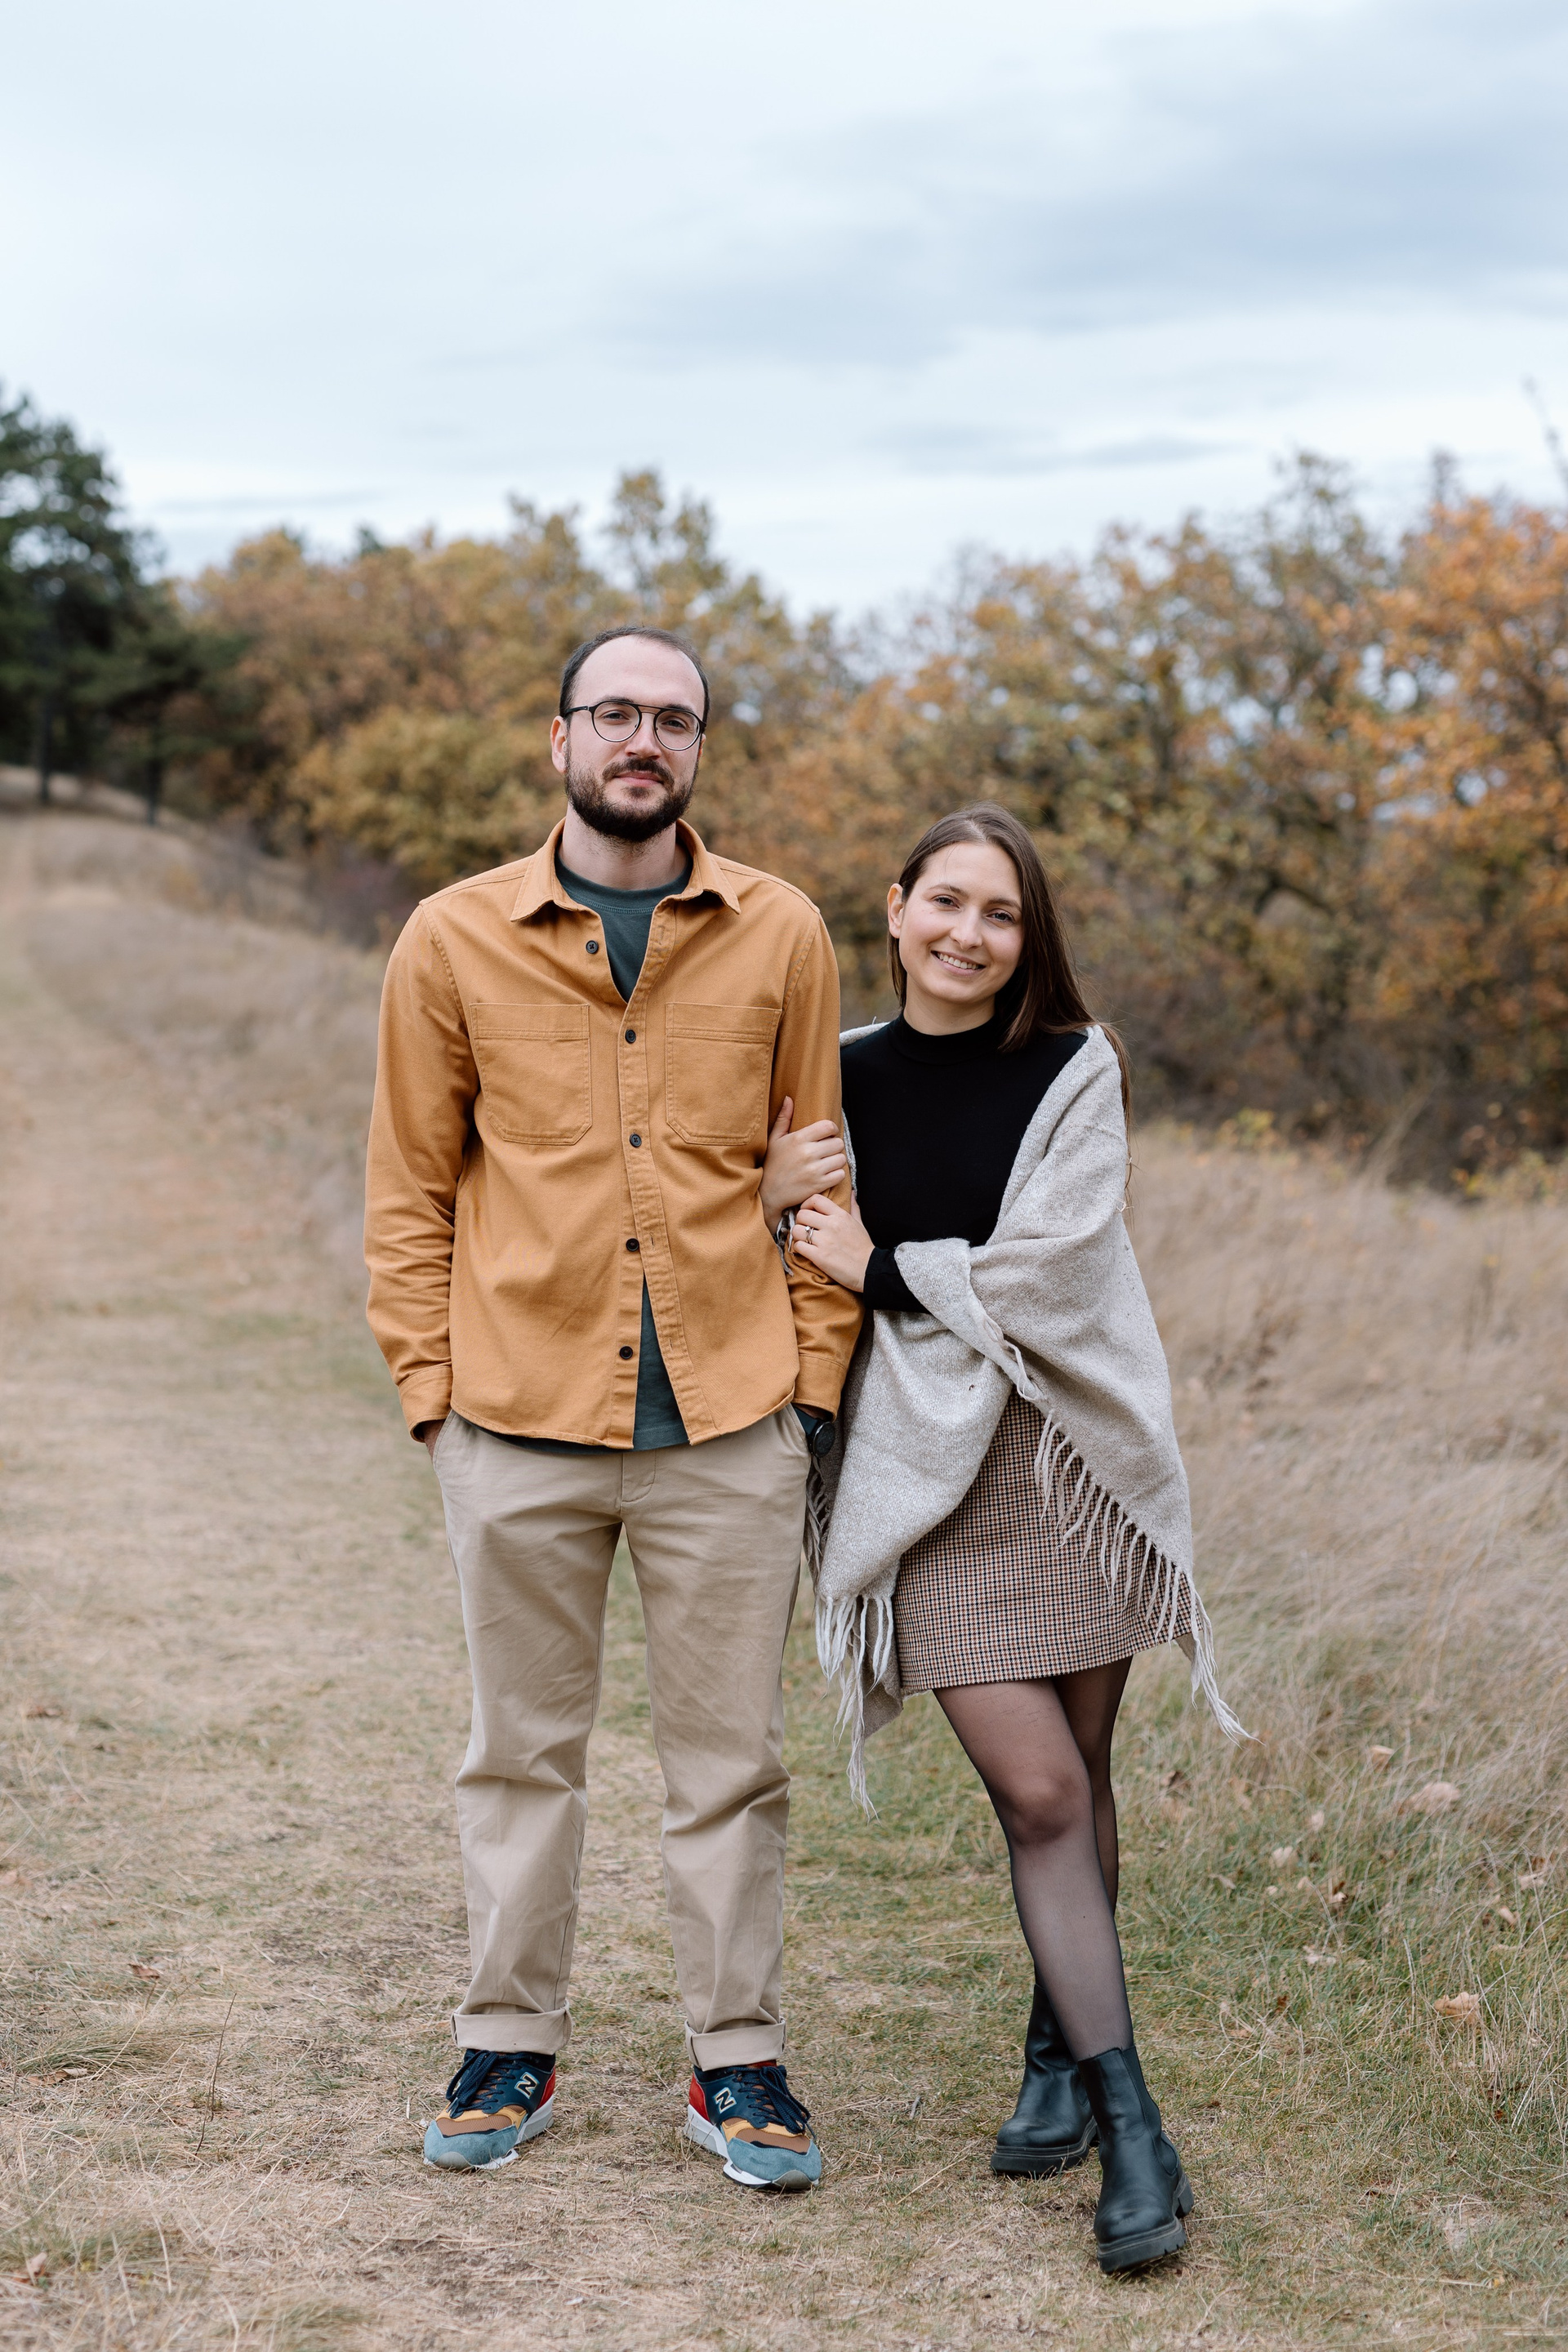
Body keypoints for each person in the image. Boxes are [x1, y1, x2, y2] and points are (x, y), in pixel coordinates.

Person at [364, 624, 862, 2190]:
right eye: (617, 714)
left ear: (700, 750)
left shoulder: (783, 932)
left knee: (732, 1766)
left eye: (675, 721)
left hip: (729, 1425)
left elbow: (821, 1177)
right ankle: (507, 2039)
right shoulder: (452, 938)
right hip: (515, 1418)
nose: (645, 741)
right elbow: (408, 1187)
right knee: (520, 1754)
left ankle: (737, 2062)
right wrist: (435, 1400)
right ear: (561, 738)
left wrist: (814, 1391)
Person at [758, 803, 1241, 2272]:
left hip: (1073, 1456)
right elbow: (772, 1253)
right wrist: (773, 1206)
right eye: (947, 902)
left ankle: (1058, 2061)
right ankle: (1137, 2126)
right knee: (1038, 1793)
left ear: (1030, 939)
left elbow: (1057, 1269)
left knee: (1084, 1773)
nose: (969, 934)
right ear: (894, 907)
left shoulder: (1076, 1067)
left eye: (1002, 913)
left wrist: (879, 1264)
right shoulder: (835, 1076)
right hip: (924, 1476)